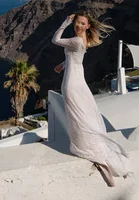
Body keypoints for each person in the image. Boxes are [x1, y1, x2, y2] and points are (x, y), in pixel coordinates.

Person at [52, 12, 131, 187]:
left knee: (76, 115)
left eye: (82, 23)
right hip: (78, 79)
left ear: (87, 26)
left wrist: (65, 22)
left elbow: (55, 40)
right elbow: (75, 58)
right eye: (77, 23)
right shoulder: (82, 41)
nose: (78, 25)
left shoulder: (77, 40)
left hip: (71, 82)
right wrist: (62, 64)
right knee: (83, 114)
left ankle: (86, 147)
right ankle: (94, 148)